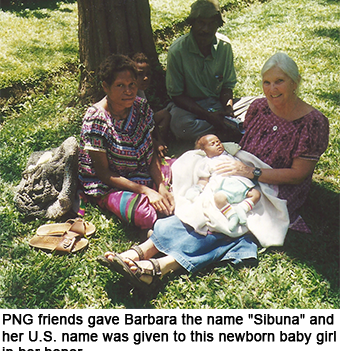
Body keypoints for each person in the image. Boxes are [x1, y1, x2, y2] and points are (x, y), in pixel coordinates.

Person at [97, 52, 329, 291]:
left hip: (277, 189)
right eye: (266, 82)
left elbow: (298, 175)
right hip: (240, 174)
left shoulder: (313, 122)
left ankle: (161, 266)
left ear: (295, 81)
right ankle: (144, 251)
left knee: (228, 224)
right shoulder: (259, 107)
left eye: (279, 81)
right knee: (203, 206)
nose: (271, 89)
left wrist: (252, 173)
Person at [78, 54, 175, 230]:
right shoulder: (96, 120)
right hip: (111, 185)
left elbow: (149, 150)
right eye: (120, 86)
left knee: (188, 168)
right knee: (146, 215)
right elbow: (104, 174)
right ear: (105, 87)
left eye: (132, 85)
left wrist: (160, 186)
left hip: (143, 170)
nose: (128, 91)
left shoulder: (141, 107)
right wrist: (146, 191)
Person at [165, 0, 255, 143]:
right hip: (190, 108)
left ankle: (223, 127)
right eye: (201, 23)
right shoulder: (178, 51)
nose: (205, 29)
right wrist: (208, 116)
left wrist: (228, 110)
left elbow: (227, 86)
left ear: (218, 25)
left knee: (258, 105)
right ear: (192, 24)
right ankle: (230, 130)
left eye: (211, 24)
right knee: (181, 126)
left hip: (217, 104)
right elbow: (177, 95)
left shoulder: (224, 46)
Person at [186, 134, 261, 232]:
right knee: (218, 198)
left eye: (218, 142)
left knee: (256, 194)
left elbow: (235, 147)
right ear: (204, 150)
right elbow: (204, 179)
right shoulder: (207, 162)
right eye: (212, 144)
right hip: (224, 187)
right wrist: (198, 188)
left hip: (240, 184)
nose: (218, 144)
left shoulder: (228, 154)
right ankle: (231, 215)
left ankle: (242, 208)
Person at [131, 52, 171, 157]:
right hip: (134, 131)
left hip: (145, 127)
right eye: (140, 74)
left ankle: (160, 146)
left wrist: (160, 139)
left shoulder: (141, 92)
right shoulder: (129, 95)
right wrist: (154, 142)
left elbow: (149, 120)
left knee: (165, 114)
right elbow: (138, 127)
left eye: (148, 74)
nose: (145, 78)